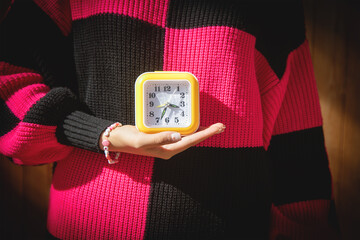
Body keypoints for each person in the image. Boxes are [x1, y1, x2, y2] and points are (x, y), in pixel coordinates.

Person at [0, 0, 339, 239]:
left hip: (227, 225)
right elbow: (9, 80)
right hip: (88, 224)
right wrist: (101, 134)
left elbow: (293, 136)